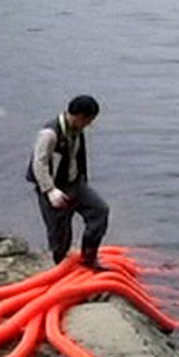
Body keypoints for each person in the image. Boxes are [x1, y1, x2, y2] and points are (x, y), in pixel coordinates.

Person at [25, 94, 110, 269]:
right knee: (60, 233)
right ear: (80, 116)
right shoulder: (49, 134)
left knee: (99, 211)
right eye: (89, 120)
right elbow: (38, 163)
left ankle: (89, 257)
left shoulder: (77, 131)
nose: (89, 124)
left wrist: (82, 181)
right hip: (53, 187)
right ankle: (60, 269)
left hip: (74, 183)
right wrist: (49, 190)